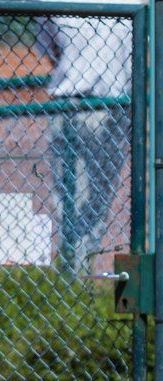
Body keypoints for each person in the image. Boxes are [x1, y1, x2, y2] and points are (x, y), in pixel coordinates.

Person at [35, 15, 131, 267]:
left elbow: (52, 50)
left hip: (78, 100)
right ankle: (75, 276)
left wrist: (78, 69)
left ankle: (73, 277)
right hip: (116, 101)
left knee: (74, 200)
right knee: (91, 201)